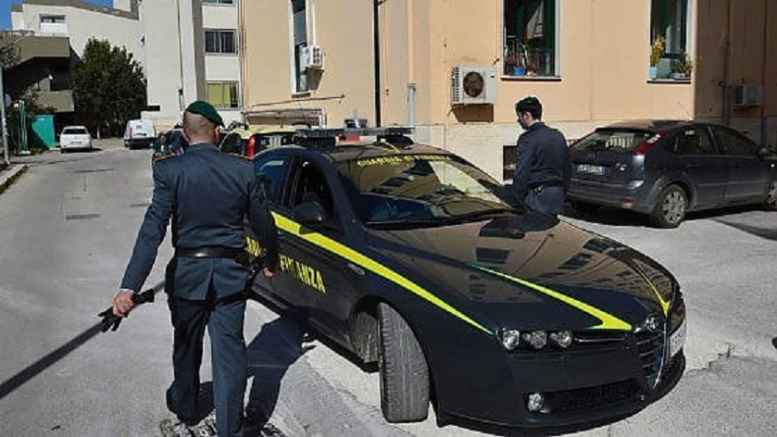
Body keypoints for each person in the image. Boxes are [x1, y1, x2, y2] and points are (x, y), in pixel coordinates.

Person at [111, 100, 279, 437]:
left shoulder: (169, 170)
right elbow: (264, 222)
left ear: (185, 135)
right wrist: (271, 260)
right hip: (230, 278)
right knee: (229, 354)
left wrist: (129, 287)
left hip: (187, 277)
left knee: (186, 345)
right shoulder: (242, 169)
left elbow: (152, 231)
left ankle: (186, 408)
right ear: (216, 131)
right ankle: (230, 430)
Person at [511, 96, 571, 216]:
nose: (518, 121)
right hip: (556, 195)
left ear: (526, 115)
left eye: (519, 117)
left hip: (536, 197)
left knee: (534, 227)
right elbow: (567, 168)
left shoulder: (528, 139)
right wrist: (563, 192)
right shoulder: (557, 135)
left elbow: (522, 172)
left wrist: (516, 200)